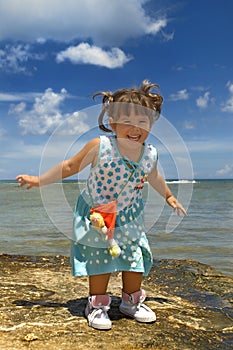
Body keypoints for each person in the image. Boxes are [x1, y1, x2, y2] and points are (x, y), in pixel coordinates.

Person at [16, 80, 187, 331]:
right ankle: (96, 304)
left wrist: (169, 196)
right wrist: (40, 180)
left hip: (129, 216)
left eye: (143, 122)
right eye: (127, 121)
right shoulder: (101, 146)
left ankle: (131, 301)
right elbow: (70, 167)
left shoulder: (150, 153)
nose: (135, 128)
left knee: (134, 257)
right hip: (97, 214)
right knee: (100, 259)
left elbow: (154, 177)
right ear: (113, 123)